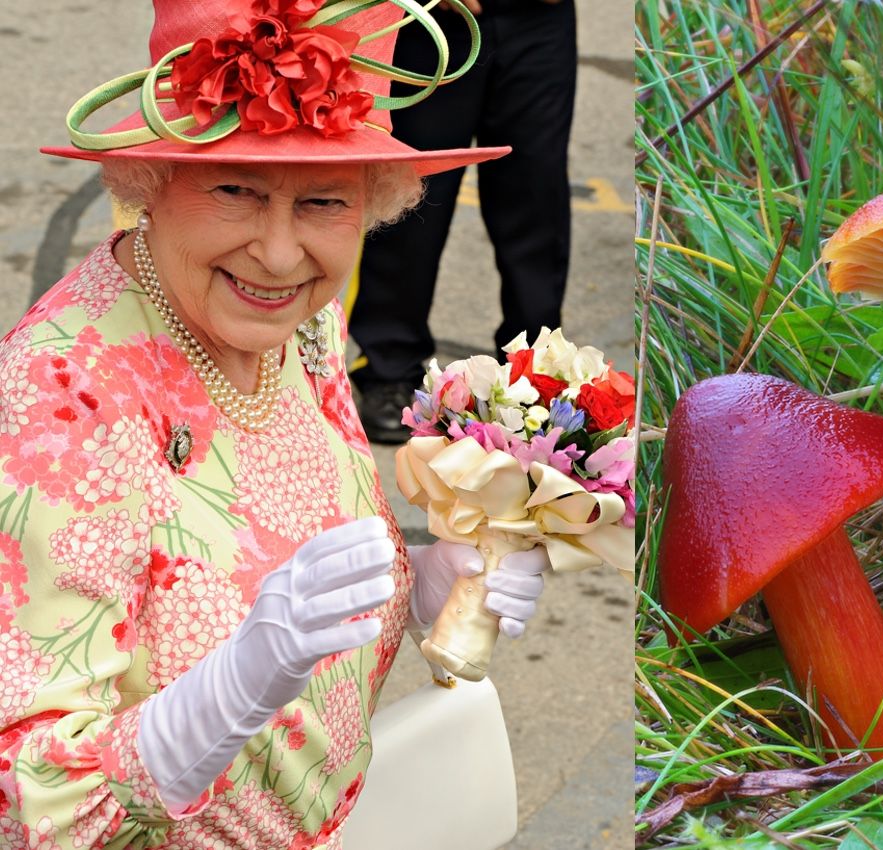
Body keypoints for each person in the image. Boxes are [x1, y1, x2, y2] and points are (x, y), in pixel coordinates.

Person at [0, 1, 548, 847]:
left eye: (325, 201)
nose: (282, 254)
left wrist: (428, 588)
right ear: (152, 182)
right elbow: (30, 791)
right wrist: (229, 690)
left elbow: (296, 582)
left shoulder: (305, 323)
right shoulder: (57, 401)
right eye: (236, 190)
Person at [351, 0, 577, 443]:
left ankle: (534, 371)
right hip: (432, 17)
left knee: (536, 192)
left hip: (541, 20)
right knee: (410, 192)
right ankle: (387, 368)